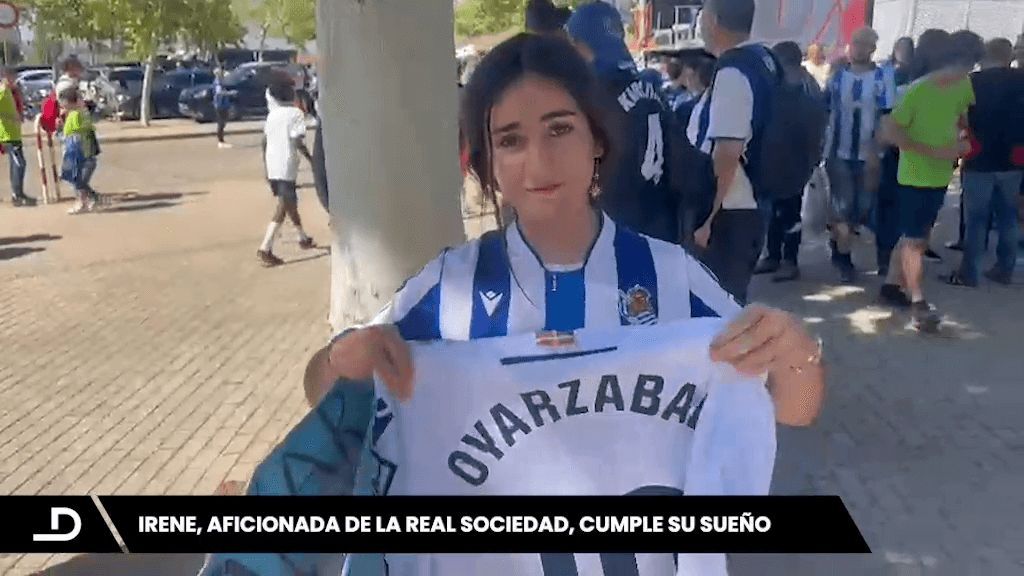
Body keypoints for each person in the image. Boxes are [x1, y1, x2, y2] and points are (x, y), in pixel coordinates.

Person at [303, 33, 824, 427]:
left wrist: (795, 353)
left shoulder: (670, 278)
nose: (539, 162)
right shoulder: (450, 289)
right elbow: (321, 388)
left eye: (559, 129)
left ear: (597, 138)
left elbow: (794, 409)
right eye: (510, 140)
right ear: (486, 162)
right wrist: (340, 360)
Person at [880, 30, 984, 332]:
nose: (966, 72)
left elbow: (961, 117)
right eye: (965, 65)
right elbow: (890, 130)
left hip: (940, 174)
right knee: (914, 241)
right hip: (914, 175)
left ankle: (890, 285)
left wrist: (963, 140)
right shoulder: (917, 91)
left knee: (918, 236)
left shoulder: (964, 85)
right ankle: (917, 301)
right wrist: (932, 150)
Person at [565, 1, 685, 244]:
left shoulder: (593, 94)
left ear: (579, 44)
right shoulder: (651, 86)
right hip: (662, 220)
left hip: (618, 226)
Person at [685, 0, 770, 302]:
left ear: (712, 21)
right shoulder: (762, 60)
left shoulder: (734, 72)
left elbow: (727, 152)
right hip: (745, 209)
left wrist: (706, 219)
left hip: (728, 216)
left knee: (718, 310)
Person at [945, 38, 1024, 286]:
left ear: (984, 55)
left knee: (977, 218)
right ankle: (1005, 268)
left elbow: (961, 119)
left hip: (979, 156)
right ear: (1009, 55)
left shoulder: (972, 82)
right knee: (1008, 216)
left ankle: (970, 272)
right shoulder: (1021, 79)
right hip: (1014, 158)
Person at [821, 27, 897, 283]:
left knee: (863, 208)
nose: (859, 48)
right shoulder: (837, 77)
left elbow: (887, 116)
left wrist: (877, 151)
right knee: (842, 208)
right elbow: (824, 112)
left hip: (870, 156)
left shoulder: (882, 77)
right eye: (855, 43)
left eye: (865, 44)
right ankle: (842, 259)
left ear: (873, 49)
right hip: (838, 154)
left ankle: (847, 251)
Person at [753, 41, 824, 282]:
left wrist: (812, 157)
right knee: (774, 212)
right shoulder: (780, 83)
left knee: (790, 214)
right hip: (773, 160)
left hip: (794, 161)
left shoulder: (805, 86)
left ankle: (789, 260)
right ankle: (772, 256)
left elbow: (816, 125)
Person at [257, 81, 316, 267]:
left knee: (290, 202)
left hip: (273, 164)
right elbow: (297, 141)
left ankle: (303, 237)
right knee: (284, 205)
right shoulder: (295, 114)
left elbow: (264, 142)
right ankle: (265, 247)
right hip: (287, 164)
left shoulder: (272, 115)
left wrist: (266, 167)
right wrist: (312, 160)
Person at [59, 87, 101, 214]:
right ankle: (86, 201)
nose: (62, 106)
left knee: (79, 180)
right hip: (78, 152)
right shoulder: (74, 114)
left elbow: (77, 133)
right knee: (78, 180)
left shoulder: (78, 114)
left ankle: (89, 199)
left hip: (81, 153)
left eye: (64, 103)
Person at [0, 66, 34, 207]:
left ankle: (19, 193)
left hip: (15, 134)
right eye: (11, 77)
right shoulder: (2, 92)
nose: (14, 80)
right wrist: (10, 117)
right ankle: (17, 194)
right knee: (19, 163)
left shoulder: (11, 92)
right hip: (6, 135)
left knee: (19, 164)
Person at [212, 67, 235, 149]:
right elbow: (219, 93)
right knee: (221, 123)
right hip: (220, 105)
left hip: (222, 104)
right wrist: (230, 93)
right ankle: (220, 141)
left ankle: (221, 139)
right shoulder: (218, 83)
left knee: (223, 122)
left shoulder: (220, 82)